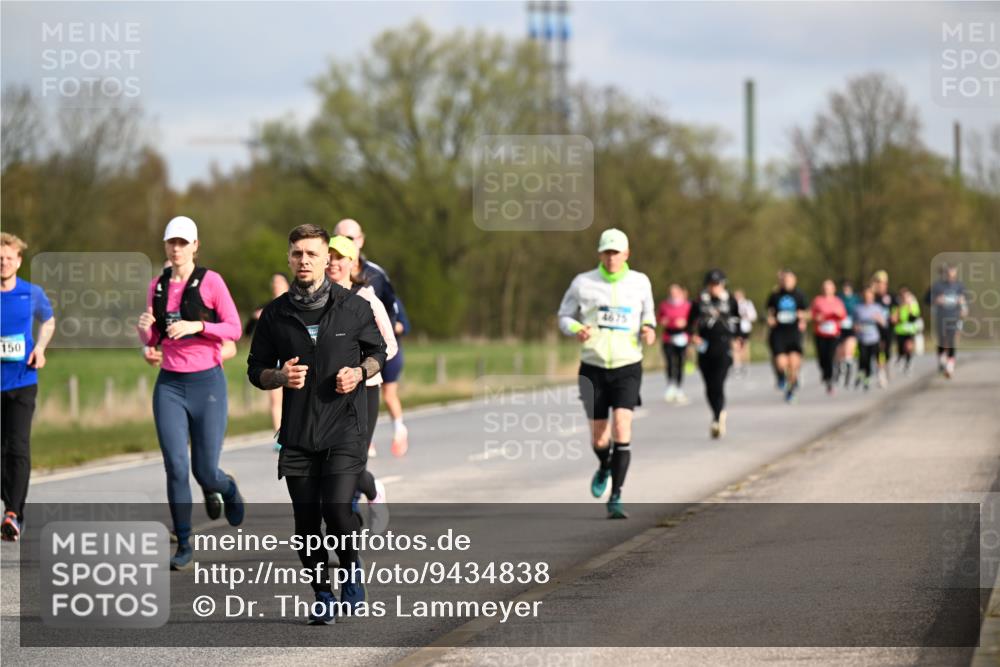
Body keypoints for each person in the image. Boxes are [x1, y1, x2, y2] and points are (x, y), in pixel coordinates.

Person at [247, 224, 386, 625]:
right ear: (289, 259)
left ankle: (351, 570)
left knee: (338, 511)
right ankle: (322, 594)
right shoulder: (276, 314)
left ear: (328, 259)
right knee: (306, 524)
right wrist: (278, 378)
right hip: (298, 434)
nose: (303, 260)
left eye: (311, 254)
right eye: (297, 254)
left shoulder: (353, 306)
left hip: (344, 428)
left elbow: (379, 353)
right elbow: (255, 369)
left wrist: (359, 373)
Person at [136, 216, 245, 570]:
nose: (177, 248)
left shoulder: (211, 282)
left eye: (184, 242)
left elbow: (235, 327)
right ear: (166, 246)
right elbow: (155, 340)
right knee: (176, 467)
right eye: (172, 242)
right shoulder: (157, 285)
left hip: (207, 384)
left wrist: (198, 324)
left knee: (205, 470)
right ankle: (183, 543)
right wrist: (145, 332)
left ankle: (226, 488)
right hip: (170, 385)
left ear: (195, 245)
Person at [558, 228, 656, 519]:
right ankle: (604, 465)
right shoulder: (583, 283)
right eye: (606, 252)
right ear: (600, 254)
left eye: (616, 253)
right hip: (593, 366)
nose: (611, 258)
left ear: (626, 254)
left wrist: (649, 329)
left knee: (622, 428)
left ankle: (616, 496)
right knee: (600, 439)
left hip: (627, 364)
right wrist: (576, 328)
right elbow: (563, 315)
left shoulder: (639, 282)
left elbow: (648, 314)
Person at [326, 235, 395, 533]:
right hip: (332, 390)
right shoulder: (319, 297)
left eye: (340, 257)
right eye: (328, 256)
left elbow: (389, 346)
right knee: (330, 462)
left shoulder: (367, 298)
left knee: (350, 462)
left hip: (365, 390)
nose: (333, 263)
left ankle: (366, 501)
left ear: (352, 262)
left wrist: (361, 367)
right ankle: (353, 513)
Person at [333, 218, 409, 458]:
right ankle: (364, 444)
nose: (345, 243)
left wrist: (395, 325)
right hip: (344, 362)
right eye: (340, 238)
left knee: (387, 394)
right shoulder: (324, 275)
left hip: (380, 349)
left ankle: (398, 429)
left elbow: (393, 305)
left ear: (361, 241)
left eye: (351, 239)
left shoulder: (375, 275)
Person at [1, 233, 55, 542]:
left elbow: (48, 321)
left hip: (23, 379)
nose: (4, 263)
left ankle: (13, 513)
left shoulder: (31, 293)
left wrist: (42, 348)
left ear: (18, 261)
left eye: (9, 258)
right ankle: (10, 500)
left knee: (18, 446)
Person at [688, 270, 740, 438]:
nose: (715, 287)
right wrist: (693, 336)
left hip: (723, 346)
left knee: (718, 383)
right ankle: (717, 414)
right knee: (709, 387)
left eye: (717, 284)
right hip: (705, 347)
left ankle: (717, 417)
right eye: (711, 284)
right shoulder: (699, 301)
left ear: (723, 284)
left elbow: (738, 322)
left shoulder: (730, 301)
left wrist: (739, 338)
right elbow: (690, 323)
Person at [766, 269, 809, 403]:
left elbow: (807, 313)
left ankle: (790, 391)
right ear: (781, 281)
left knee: (793, 364)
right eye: (784, 280)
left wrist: (803, 318)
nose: (787, 282)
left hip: (794, 333)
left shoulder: (800, 295)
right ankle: (781, 377)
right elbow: (769, 312)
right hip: (779, 333)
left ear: (794, 281)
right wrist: (770, 319)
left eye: (789, 280)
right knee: (781, 363)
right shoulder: (775, 295)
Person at [810, 279, 847, 395]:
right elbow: (811, 314)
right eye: (825, 288)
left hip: (833, 333)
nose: (827, 290)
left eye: (829, 288)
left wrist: (838, 314)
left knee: (830, 356)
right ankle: (825, 374)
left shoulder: (838, 301)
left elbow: (843, 316)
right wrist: (817, 317)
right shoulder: (817, 301)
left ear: (833, 289)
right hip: (820, 333)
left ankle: (830, 379)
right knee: (822, 357)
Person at [930, 264, 966, 379]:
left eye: (953, 275)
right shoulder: (938, 286)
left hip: (954, 317)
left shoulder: (959, 286)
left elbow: (964, 300)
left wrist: (964, 308)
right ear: (946, 274)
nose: (951, 277)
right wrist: (936, 300)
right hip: (941, 317)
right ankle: (941, 360)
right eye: (949, 274)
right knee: (941, 340)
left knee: (951, 340)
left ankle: (950, 366)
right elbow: (929, 299)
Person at [657, 284, 691, 404]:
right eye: (671, 292)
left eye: (675, 292)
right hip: (668, 337)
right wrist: (663, 321)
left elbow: (692, 321)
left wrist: (685, 323)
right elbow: (659, 318)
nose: (673, 294)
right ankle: (671, 385)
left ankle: (679, 387)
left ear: (680, 292)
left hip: (682, 337)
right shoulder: (664, 305)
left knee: (680, 362)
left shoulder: (687, 305)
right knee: (670, 362)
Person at [853, 287, 886, 391]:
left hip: (874, 338)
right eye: (866, 296)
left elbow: (884, 323)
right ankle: (866, 378)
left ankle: (881, 375)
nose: (868, 298)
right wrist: (856, 327)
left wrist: (878, 319)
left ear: (872, 297)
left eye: (869, 296)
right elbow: (854, 323)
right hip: (862, 339)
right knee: (864, 359)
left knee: (877, 358)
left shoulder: (877, 308)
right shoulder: (858, 308)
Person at [871, 270, 896, 387]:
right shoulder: (872, 297)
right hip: (875, 328)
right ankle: (880, 374)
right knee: (878, 350)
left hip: (888, 328)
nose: (880, 285)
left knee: (887, 351)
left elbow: (898, 308)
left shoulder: (891, 296)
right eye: (877, 282)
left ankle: (887, 367)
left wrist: (896, 316)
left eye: (882, 283)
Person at [835, 280, 860, 388]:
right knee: (839, 351)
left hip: (851, 328)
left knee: (848, 350)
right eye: (844, 288)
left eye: (848, 289)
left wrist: (858, 323)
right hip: (840, 328)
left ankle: (849, 369)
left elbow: (860, 312)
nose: (846, 291)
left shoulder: (856, 299)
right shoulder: (838, 298)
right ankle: (840, 367)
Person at [892, 286, 921, 375]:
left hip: (910, 330)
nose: (904, 297)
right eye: (902, 295)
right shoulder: (897, 306)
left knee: (908, 347)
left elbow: (915, 317)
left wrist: (909, 308)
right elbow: (894, 318)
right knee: (901, 348)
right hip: (900, 330)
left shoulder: (913, 305)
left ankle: (908, 363)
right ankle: (900, 357)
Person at [732, 288, 757, 376]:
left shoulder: (747, 303)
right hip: (735, 328)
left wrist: (745, 316)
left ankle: (745, 365)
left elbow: (753, 316)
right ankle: (737, 366)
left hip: (745, 328)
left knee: (744, 348)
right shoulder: (732, 304)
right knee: (735, 347)